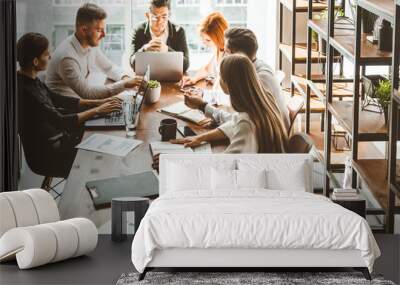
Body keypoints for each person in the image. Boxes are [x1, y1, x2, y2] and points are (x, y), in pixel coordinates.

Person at [17, 33, 123, 178]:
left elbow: (61, 100)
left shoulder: (32, 80)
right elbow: (60, 121)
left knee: (102, 137)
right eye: (46, 54)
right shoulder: (26, 91)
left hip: (58, 140)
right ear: (35, 61)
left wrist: (99, 103)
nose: (50, 56)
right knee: (102, 156)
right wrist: (98, 110)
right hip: (48, 155)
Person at [173, 54, 288, 154]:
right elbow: (234, 122)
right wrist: (200, 137)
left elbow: (228, 166)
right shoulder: (263, 99)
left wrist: (180, 161)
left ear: (229, 83)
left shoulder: (247, 124)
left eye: (220, 76)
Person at [184, 27, 290, 130]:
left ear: (237, 56)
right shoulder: (256, 67)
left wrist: (203, 106)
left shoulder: (259, 79)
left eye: (226, 51)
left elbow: (240, 122)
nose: (224, 55)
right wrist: (203, 94)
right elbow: (237, 99)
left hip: (268, 140)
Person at [46, 3, 141, 99]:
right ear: (83, 30)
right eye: (99, 30)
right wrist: (125, 85)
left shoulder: (90, 45)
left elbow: (109, 68)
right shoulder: (67, 58)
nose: (104, 35)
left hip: (83, 102)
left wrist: (126, 78)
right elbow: (88, 94)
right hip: (68, 110)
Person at [130, 0, 189, 72]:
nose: (160, 21)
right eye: (155, 17)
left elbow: (186, 65)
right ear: (148, 16)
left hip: (171, 77)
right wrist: (144, 49)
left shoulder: (179, 31)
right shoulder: (139, 31)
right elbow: (132, 64)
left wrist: (167, 50)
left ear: (169, 15)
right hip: (146, 78)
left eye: (164, 16)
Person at [180, 11, 228, 87]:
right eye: (203, 39)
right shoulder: (217, 50)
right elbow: (206, 69)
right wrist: (193, 79)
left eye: (208, 40)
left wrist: (216, 81)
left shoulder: (229, 56)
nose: (204, 43)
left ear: (219, 37)